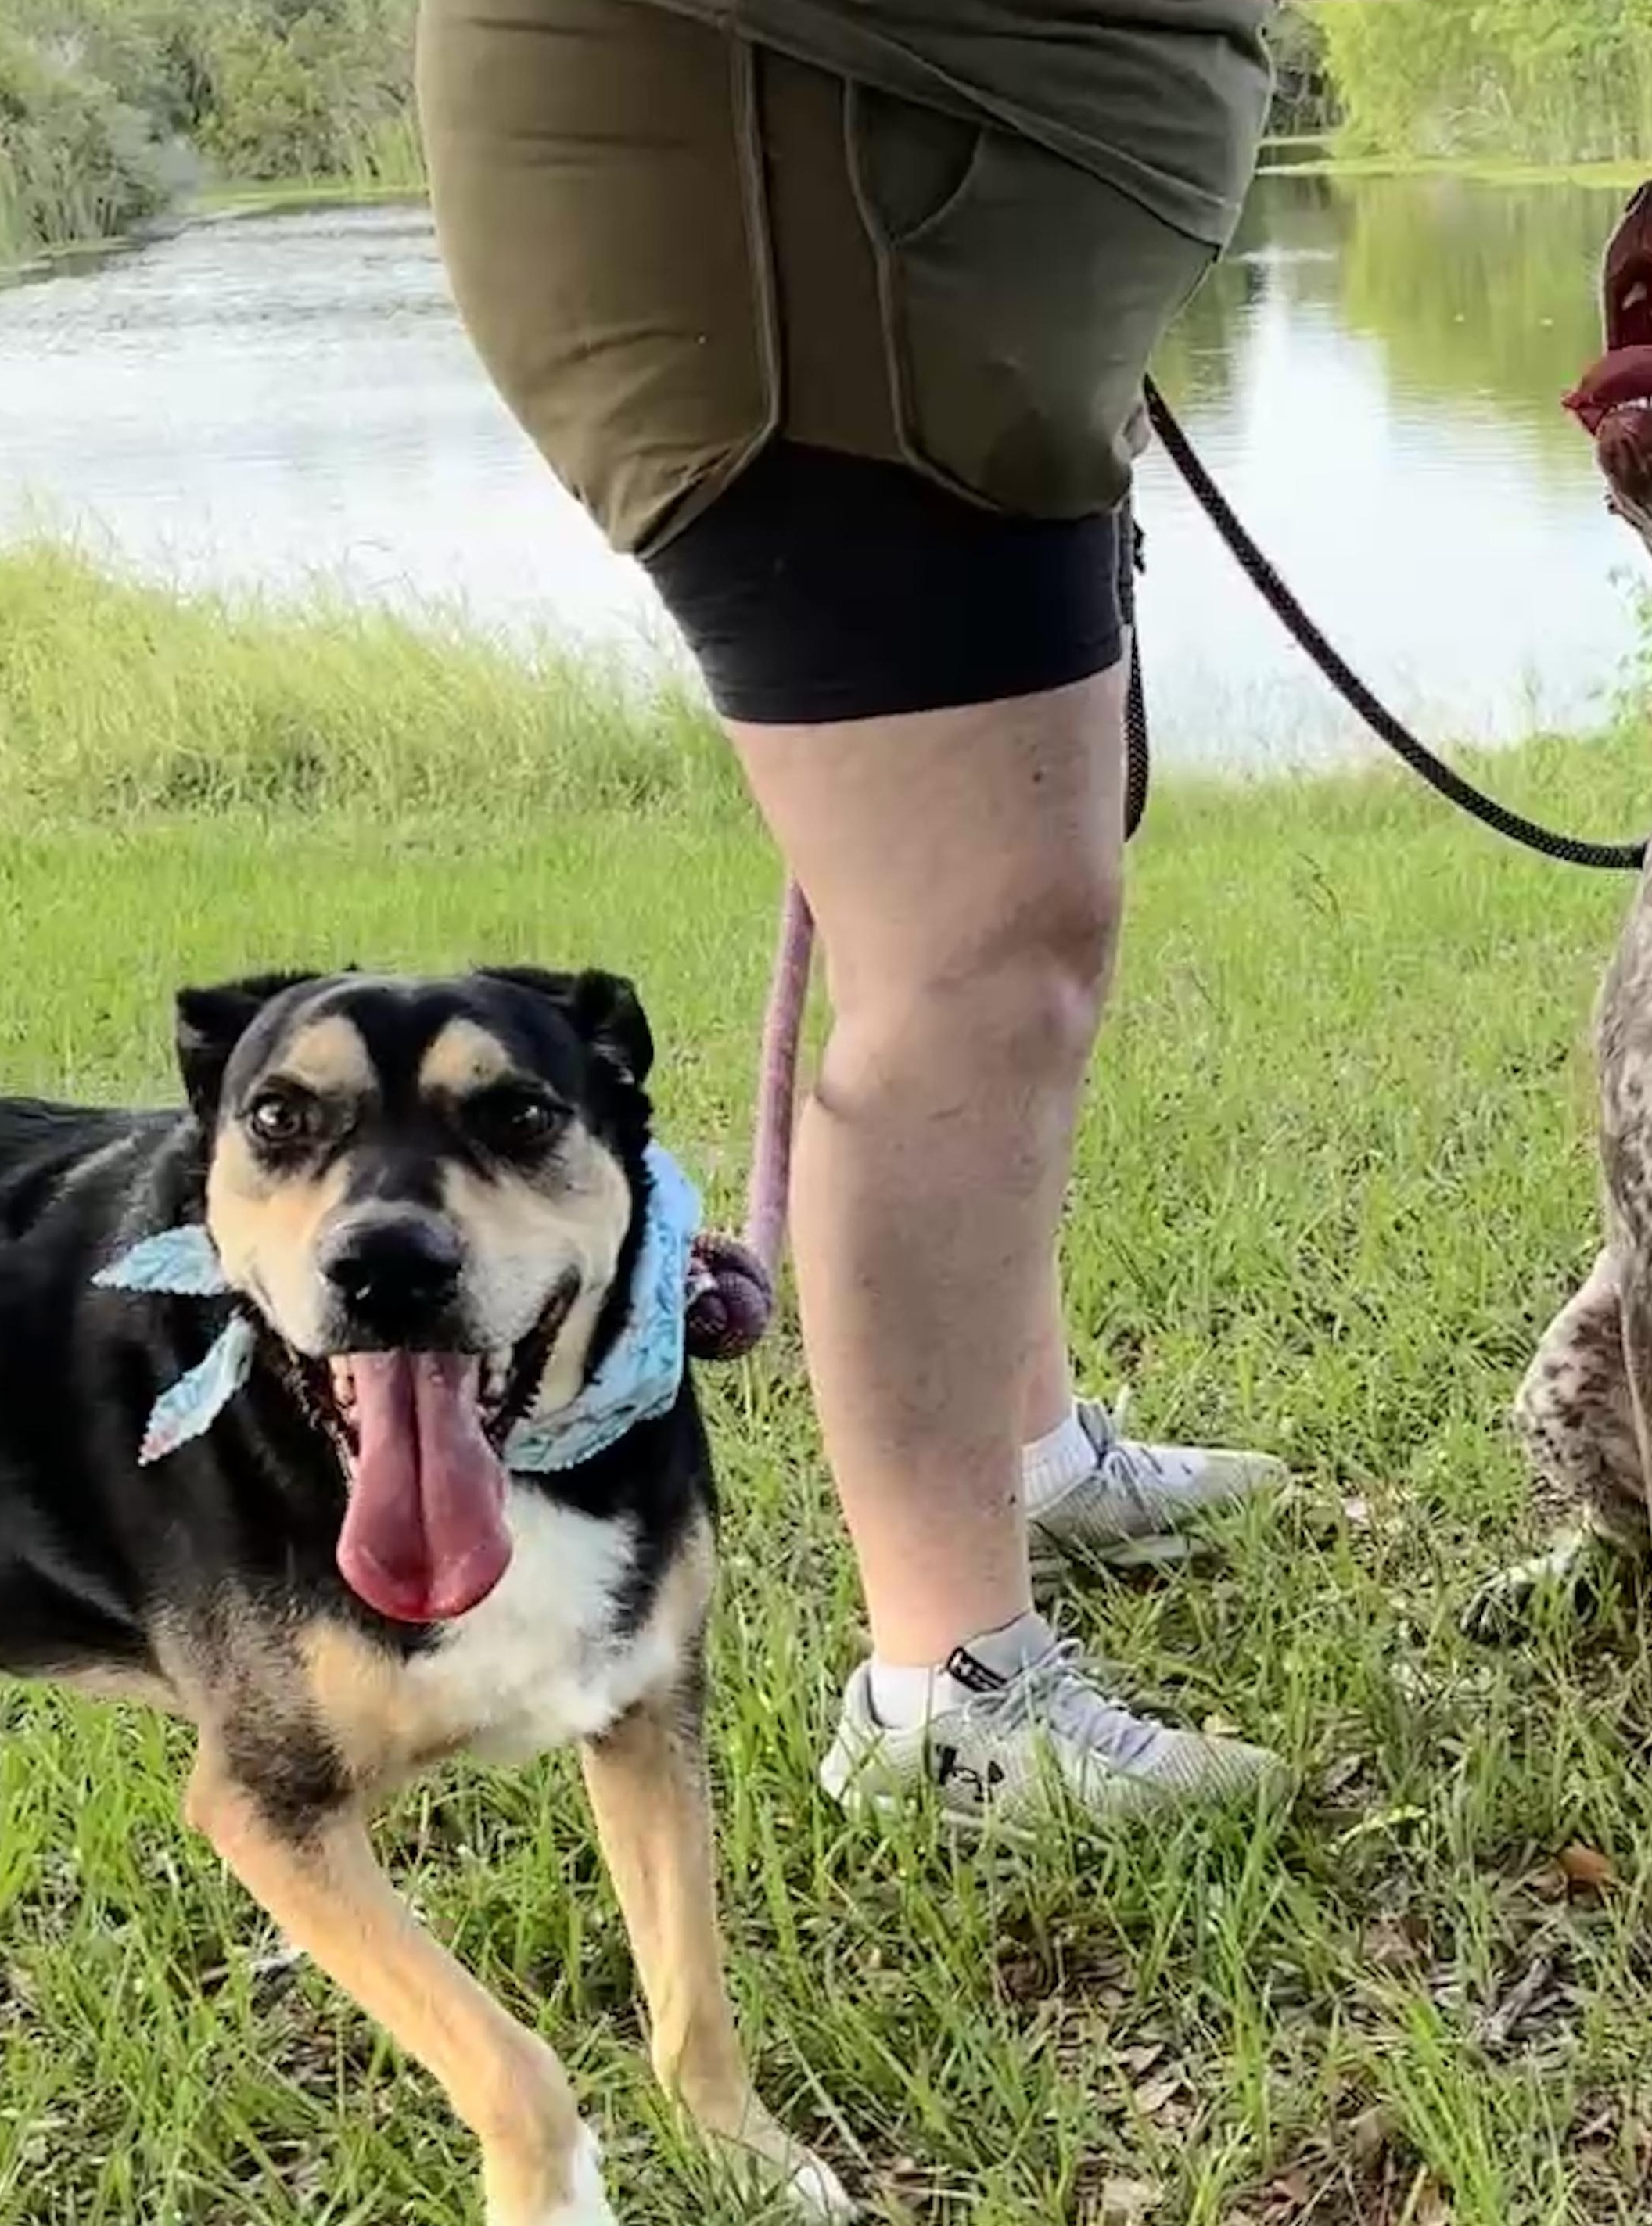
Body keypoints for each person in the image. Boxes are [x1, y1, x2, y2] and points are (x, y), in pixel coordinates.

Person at [418, 0, 1288, 1821]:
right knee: (975, 958)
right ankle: (951, 1696)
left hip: (922, 236)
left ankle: (1030, 1454)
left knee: (1006, 929)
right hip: (832, 226)